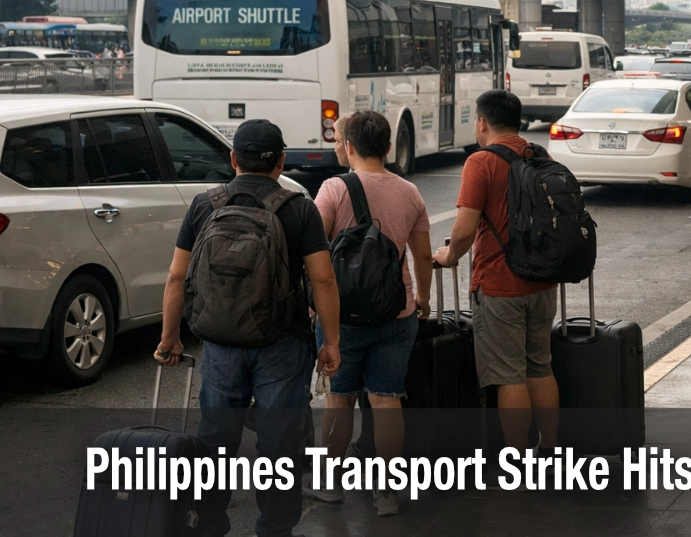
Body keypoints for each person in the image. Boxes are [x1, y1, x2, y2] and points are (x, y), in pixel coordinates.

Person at [155, 119, 341, 537]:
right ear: (281, 162)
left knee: (216, 441)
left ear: (233, 159)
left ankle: (208, 525)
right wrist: (330, 341)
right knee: (279, 445)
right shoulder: (299, 209)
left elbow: (176, 276)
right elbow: (323, 280)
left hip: (221, 342)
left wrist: (170, 338)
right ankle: (274, 529)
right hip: (283, 342)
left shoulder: (204, 205)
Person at [305, 111, 434, 515]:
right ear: (389, 147)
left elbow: (313, 249)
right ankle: (386, 492)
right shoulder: (409, 192)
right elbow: (423, 255)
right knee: (386, 399)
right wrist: (423, 298)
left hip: (340, 316)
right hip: (396, 312)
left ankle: (331, 484)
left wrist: (311, 303)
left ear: (349, 146)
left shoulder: (333, 189)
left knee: (340, 399)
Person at [432, 89, 559, 455]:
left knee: (509, 376)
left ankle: (516, 460)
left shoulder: (481, 162)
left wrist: (449, 256)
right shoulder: (540, 155)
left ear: (483, 122)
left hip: (500, 285)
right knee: (540, 367)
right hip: (542, 281)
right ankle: (550, 448)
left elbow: (464, 230)